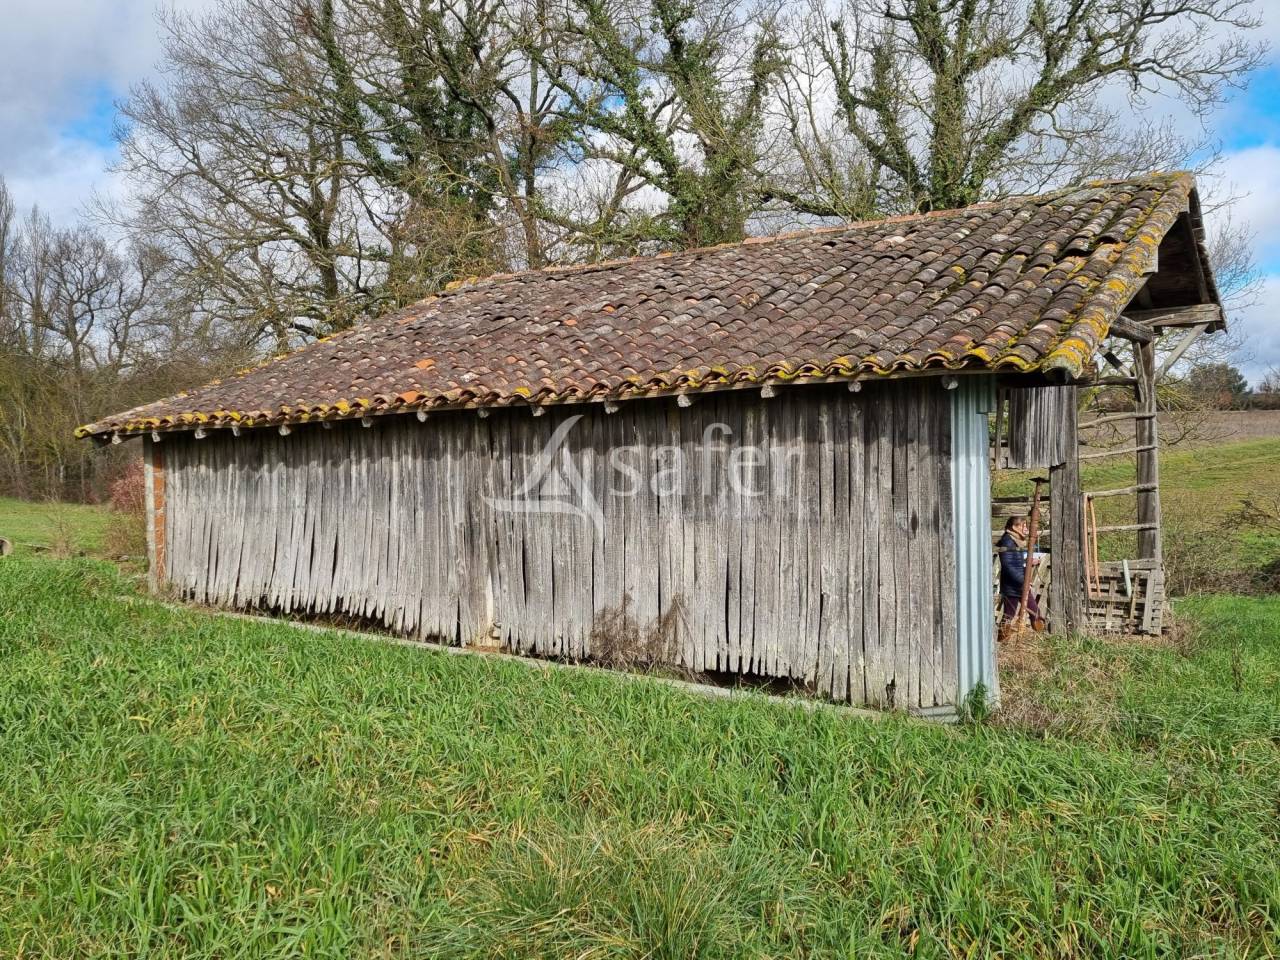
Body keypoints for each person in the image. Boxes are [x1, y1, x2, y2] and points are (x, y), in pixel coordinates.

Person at [997, 515, 1042, 626]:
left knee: (1035, 614)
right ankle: (1002, 641)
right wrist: (1023, 581)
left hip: (1019, 584)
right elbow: (1008, 566)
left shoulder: (1016, 541)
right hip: (1012, 586)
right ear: (1014, 527)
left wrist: (1028, 561)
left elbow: (1015, 562)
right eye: (1023, 525)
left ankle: (1037, 638)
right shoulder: (1007, 542)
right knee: (1009, 617)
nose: (1025, 528)